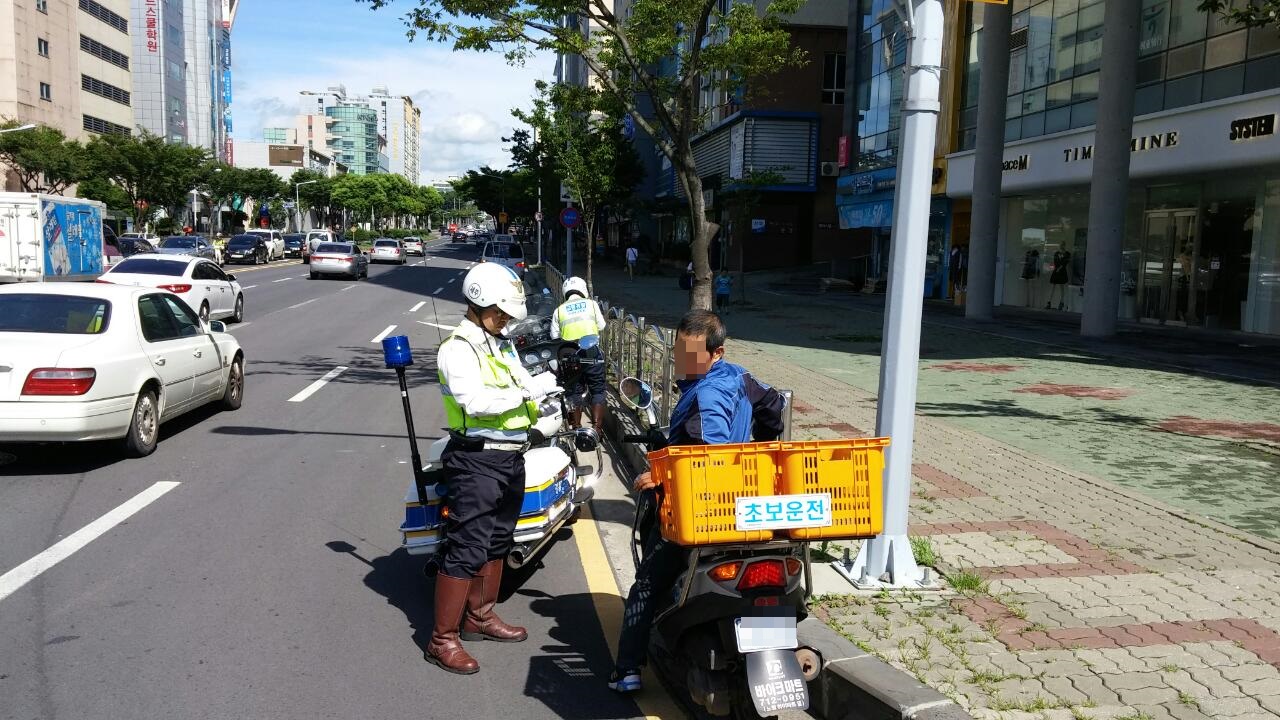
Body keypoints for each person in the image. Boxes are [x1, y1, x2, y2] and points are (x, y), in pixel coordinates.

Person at [608, 310, 787, 693]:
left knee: (646, 586)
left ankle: (627, 670)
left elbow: (708, 452)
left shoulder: (706, 395)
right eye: (678, 351)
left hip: (700, 509)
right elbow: (773, 404)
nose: (682, 361)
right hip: (744, 501)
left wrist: (659, 474)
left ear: (716, 352)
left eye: (690, 354)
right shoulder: (741, 376)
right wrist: (764, 446)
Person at [430, 263, 545, 675]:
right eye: (501, 311)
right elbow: (475, 402)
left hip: (509, 457)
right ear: (478, 302)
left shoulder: (501, 343)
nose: (507, 319)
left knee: (498, 540)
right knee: (466, 547)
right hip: (476, 460)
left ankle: (480, 618)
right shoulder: (458, 348)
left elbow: (520, 383)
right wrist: (525, 393)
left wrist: (539, 389)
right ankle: (442, 639)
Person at [551, 276, 608, 432]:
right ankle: (596, 429)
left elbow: (554, 337)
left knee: (573, 391)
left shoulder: (559, 310)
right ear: (584, 289)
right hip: (591, 353)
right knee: (597, 389)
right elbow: (602, 326)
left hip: (569, 356)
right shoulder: (592, 304)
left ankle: (576, 428)